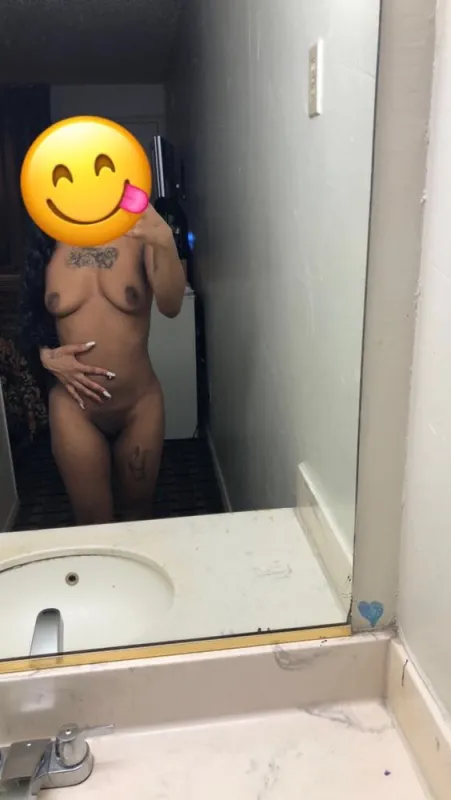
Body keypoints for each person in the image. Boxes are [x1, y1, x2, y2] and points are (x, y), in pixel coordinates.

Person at [20, 205, 186, 525]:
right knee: (92, 524)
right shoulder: (48, 237)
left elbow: (171, 305)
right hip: (75, 409)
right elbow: (29, 319)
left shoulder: (139, 229)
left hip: (138, 406)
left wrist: (165, 240)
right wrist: (45, 356)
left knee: (138, 518)